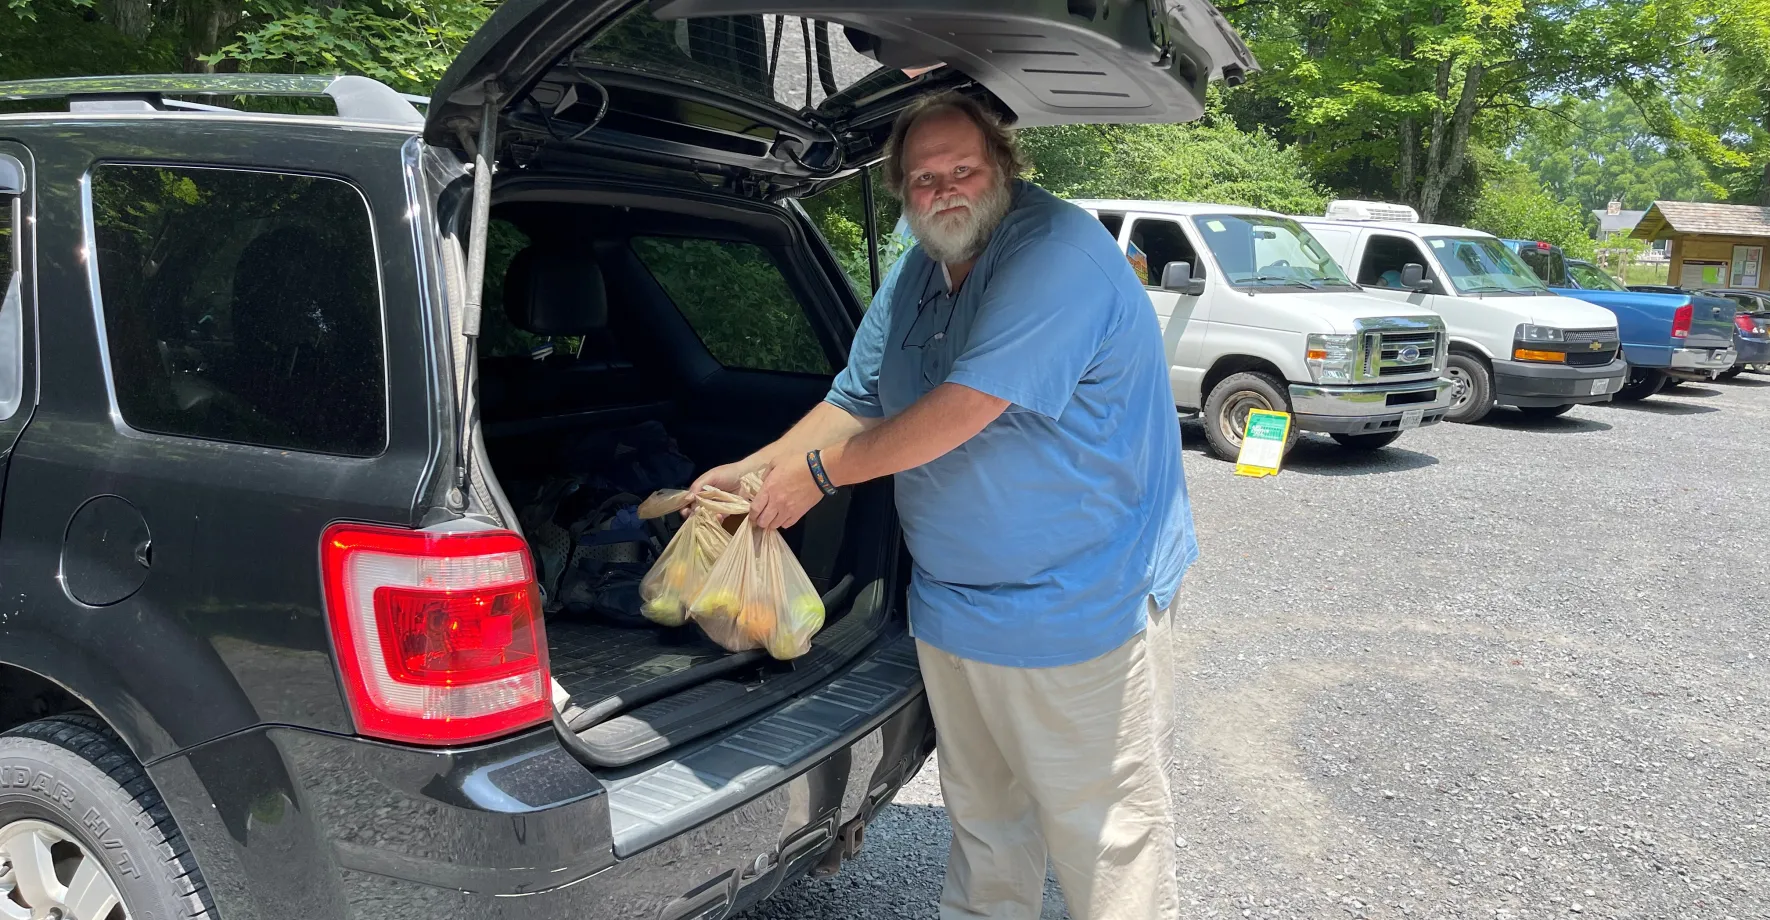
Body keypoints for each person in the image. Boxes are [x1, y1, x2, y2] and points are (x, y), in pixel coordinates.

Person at [690, 91, 1197, 920]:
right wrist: (751, 470)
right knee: (987, 825)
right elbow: (855, 397)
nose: (944, 190)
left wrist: (815, 477)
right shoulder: (920, 265)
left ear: (1003, 166)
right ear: (901, 190)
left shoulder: (1056, 253)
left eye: (962, 169)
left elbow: (965, 407)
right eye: (923, 178)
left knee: (1103, 839)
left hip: (1080, 608)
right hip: (958, 610)